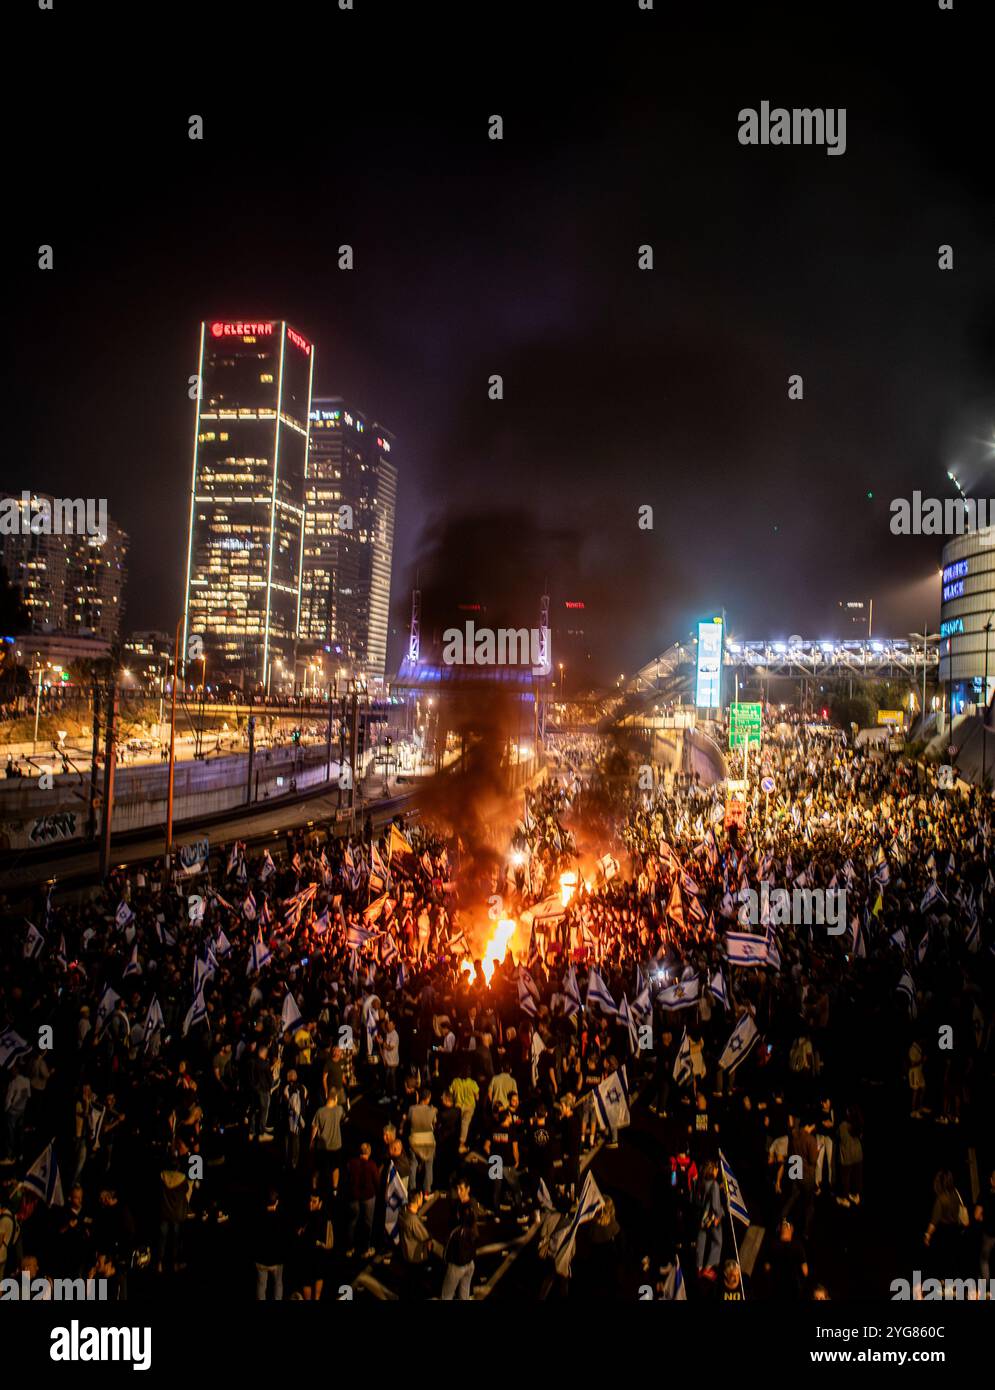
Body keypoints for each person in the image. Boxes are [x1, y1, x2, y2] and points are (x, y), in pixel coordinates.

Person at [441, 1179, 478, 1300]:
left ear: (468, 1189)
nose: (458, 1192)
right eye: (457, 1189)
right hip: (469, 1262)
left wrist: (447, 1257)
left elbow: (453, 1241)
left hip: (458, 1263)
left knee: (446, 1295)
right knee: (464, 1294)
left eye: (461, 1189)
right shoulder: (462, 1205)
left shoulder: (460, 1229)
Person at [345, 1142, 380, 1258]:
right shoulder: (372, 1165)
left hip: (353, 1197)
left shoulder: (351, 1163)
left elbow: (347, 1178)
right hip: (368, 1197)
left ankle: (350, 1248)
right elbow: (377, 1182)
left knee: (352, 1222)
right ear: (369, 1153)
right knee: (367, 1223)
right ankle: (365, 1249)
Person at [254, 1189, 289, 1300]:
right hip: (277, 1260)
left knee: (261, 1285)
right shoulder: (281, 1217)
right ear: (277, 1202)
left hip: (261, 1259)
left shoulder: (258, 1216)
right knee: (278, 1284)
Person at [405, 1087, 438, 1195]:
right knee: (429, 1166)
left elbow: (409, 1122)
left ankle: (412, 1189)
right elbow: (434, 1125)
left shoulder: (411, 1109)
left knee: (413, 1165)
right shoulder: (433, 1110)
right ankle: (427, 1190)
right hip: (428, 1142)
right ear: (428, 1099)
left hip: (414, 1141)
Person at [695, 1159, 725, 1276]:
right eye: (716, 1169)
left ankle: (698, 1267)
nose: (718, 1171)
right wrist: (720, 1214)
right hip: (711, 1218)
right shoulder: (714, 1184)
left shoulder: (701, 1181)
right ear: (713, 1171)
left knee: (701, 1240)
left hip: (701, 1216)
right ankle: (708, 1267)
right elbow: (715, 1205)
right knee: (718, 1241)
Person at [975, 1169, 995, 1280]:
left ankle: (985, 1289)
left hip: (989, 1234)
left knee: (984, 1261)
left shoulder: (984, 1194)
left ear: (992, 1181)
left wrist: (986, 1218)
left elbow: (977, 1215)